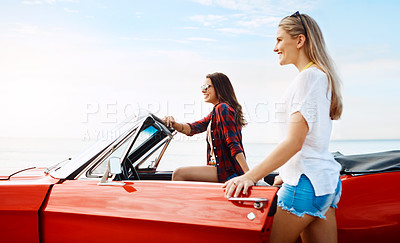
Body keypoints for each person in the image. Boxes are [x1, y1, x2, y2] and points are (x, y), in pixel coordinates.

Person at [223, 11, 343, 243]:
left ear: (299, 40)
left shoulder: (307, 78)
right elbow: (310, 141)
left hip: (305, 184)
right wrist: (285, 173)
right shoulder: (322, 76)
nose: (275, 47)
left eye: (279, 39)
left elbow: (294, 142)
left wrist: (249, 176)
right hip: (326, 183)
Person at [163, 72, 249, 183]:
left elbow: (233, 143)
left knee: (179, 174)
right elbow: (192, 128)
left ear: (219, 88)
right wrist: (172, 123)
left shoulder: (223, 108)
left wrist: (248, 174)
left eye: (206, 87)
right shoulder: (216, 112)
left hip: (226, 171)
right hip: (219, 169)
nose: (203, 90)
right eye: (202, 87)